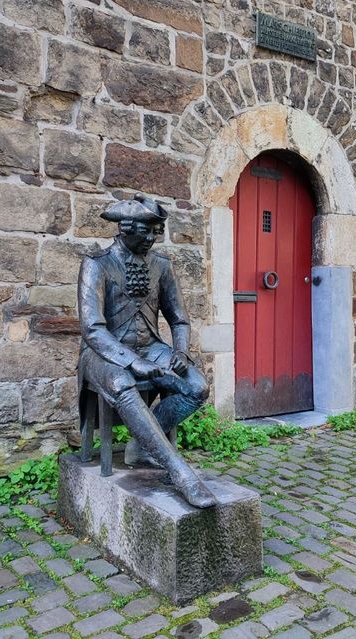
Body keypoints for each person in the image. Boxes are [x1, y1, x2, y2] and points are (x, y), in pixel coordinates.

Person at [77, 194, 217, 509]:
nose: (153, 238)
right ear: (125, 228)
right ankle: (180, 471)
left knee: (196, 387)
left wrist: (180, 351)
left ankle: (141, 445)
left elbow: (179, 318)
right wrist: (134, 363)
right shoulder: (96, 264)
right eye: (147, 231)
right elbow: (92, 328)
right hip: (103, 353)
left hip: (151, 347)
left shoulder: (161, 266)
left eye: (157, 231)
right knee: (122, 383)